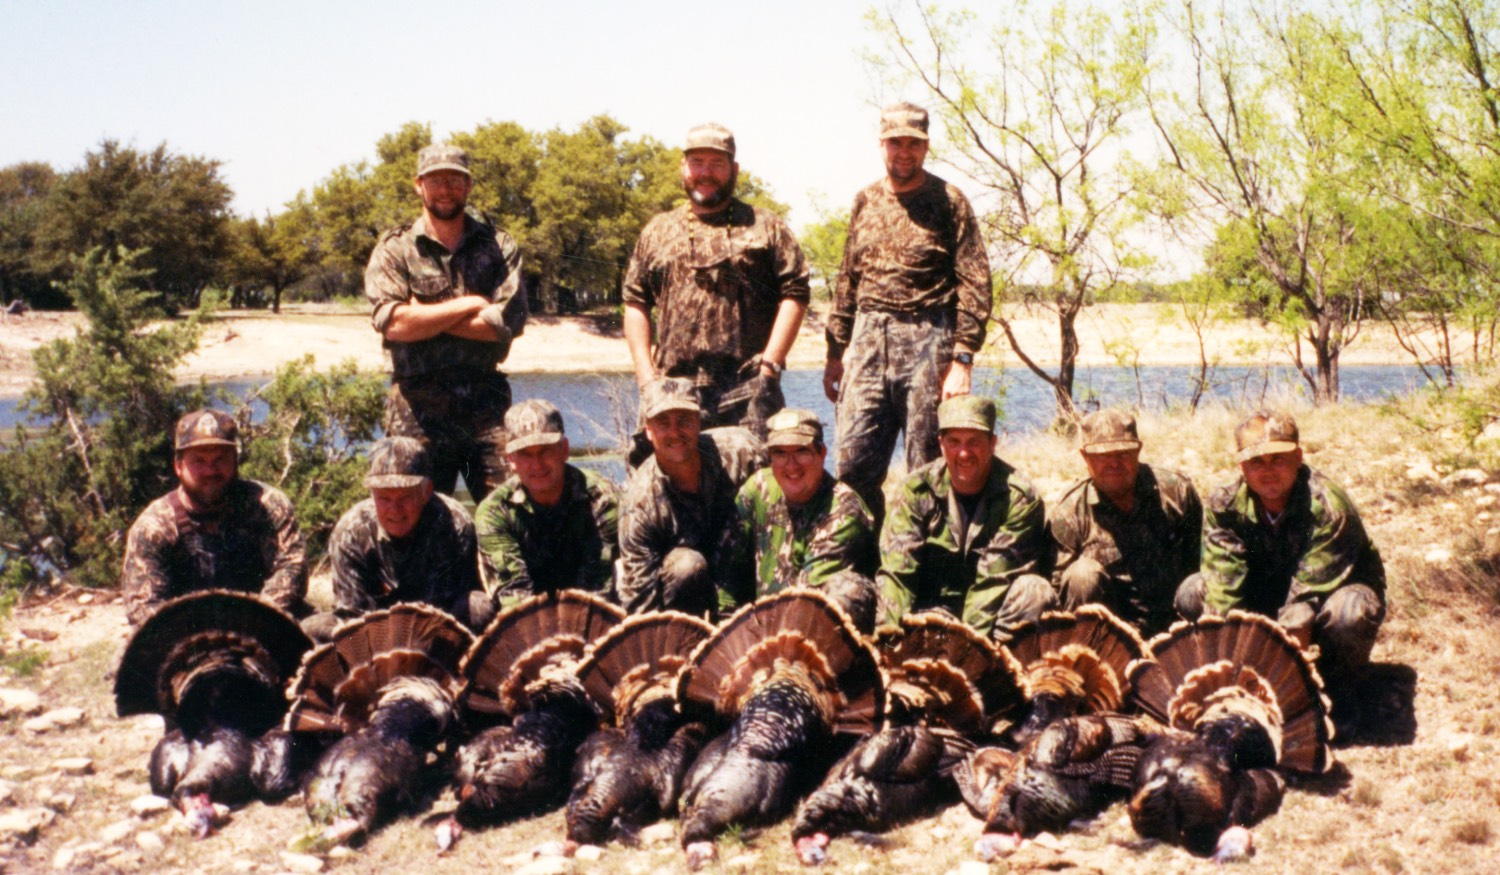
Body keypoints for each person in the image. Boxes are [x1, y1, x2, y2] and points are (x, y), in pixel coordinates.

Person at [823, 102, 993, 521]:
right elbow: (848, 277)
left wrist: (963, 358)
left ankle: (926, 566)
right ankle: (858, 565)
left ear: (926, 146)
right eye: (896, 142)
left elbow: (975, 282)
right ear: (882, 144)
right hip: (866, 340)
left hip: (928, 338)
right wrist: (833, 352)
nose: (904, 152)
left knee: (927, 464)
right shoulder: (865, 200)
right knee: (853, 464)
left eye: (913, 144)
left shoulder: (949, 201)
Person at [1178, 411, 1385, 712]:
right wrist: (1226, 675)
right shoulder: (1224, 503)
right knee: (1193, 590)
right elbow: (1223, 589)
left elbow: (1303, 603)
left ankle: (1337, 693)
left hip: (1323, 599)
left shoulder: (1329, 506)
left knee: (1350, 613)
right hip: (1266, 596)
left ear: (1298, 457)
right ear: (1241, 465)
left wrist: (1284, 688)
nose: (1268, 471)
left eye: (1278, 458)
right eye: (1256, 462)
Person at [622, 122, 810, 444]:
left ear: (734, 170)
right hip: (672, 391)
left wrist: (770, 367)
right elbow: (635, 302)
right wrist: (646, 378)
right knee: (669, 484)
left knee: (754, 485)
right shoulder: (657, 230)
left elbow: (796, 293)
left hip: (747, 388)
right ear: (683, 167)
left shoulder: (766, 226)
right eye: (697, 162)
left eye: (717, 164)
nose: (705, 173)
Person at [365, 142, 527, 499]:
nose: (445, 189)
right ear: (418, 185)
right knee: (415, 516)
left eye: (455, 180)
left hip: (486, 406)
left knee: (508, 511)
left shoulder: (497, 245)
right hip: (416, 407)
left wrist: (422, 312)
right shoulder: (395, 249)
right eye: (436, 180)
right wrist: (472, 303)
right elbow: (395, 325)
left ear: (468, 186)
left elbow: (506, 324)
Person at [877, 395, 1055, 642]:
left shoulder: (1019, 499)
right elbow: (897, 575)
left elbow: (993, 582)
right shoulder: (914, 491)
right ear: (941, 444)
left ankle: (1005, 672)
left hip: (990, 623)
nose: (963, 453)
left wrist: (965, 649)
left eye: (974, 442)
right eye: (954, 442)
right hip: (928, 615)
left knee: (1035, 591)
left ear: (992, 443)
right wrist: (890, 642)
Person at [122, 409, 307, 625]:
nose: (211, 471)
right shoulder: (154, 526)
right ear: (178, 466)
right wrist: (204, 637)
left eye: (220, 459)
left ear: (235, 461)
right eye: (199, 461)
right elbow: (143, 607)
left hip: (264, 624)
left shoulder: (267, 506)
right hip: (187, 638)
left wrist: (251, 622)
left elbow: (293, 569)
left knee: (325, 634)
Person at [303, 437, 492, 640]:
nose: (395, 510)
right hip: (374, 638)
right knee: (312, 627)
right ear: (371, 494)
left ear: (426, 492)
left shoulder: (456, 524)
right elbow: (353, 615)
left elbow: (454, 604)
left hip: (439, 635)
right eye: (384, 498)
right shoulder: (350, 532)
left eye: (405, 497)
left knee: (478, 606)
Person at [617, 377, 767, 617]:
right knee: (687, 565)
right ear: (648, 430)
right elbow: (640, 598)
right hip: (689, 591)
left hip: (744, 576)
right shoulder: (638, 503)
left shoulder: (744, 453)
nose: (674, 432)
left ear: (699, 422)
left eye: (684, 420)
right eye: (663, 423)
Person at [1048, 409, 1202, 637]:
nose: (1113, 463)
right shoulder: (1068, 512)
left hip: (1175, 624)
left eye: (1123, 453)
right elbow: (1060, 593)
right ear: (1084, 457)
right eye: (1102, 455)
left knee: (1201, 583)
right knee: (1081, 575)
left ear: (1138, 450)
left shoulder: (1177, 492)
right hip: (1110, 634)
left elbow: (1201, 561)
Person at [719, 408, 878, 628]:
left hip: (818, 630)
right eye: (780, 453)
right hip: (764, 626)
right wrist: (725, 631)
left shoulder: (843, 510)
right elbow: (727, 573)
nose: (791, 465)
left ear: (822, 453)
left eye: (802, 451)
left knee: (847, 588)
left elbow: (806, 601)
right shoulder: (757, 488)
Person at [474, 399, 620, 606]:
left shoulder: (601, 498)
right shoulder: (494, 511)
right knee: (479, 606)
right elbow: (514, 593)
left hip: (590, 606)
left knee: (622, 577)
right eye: (525, 454)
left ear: (564, 449)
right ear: (511, 459)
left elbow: (598, 582)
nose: (537, 464)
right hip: (528, 613)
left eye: (545, 450)